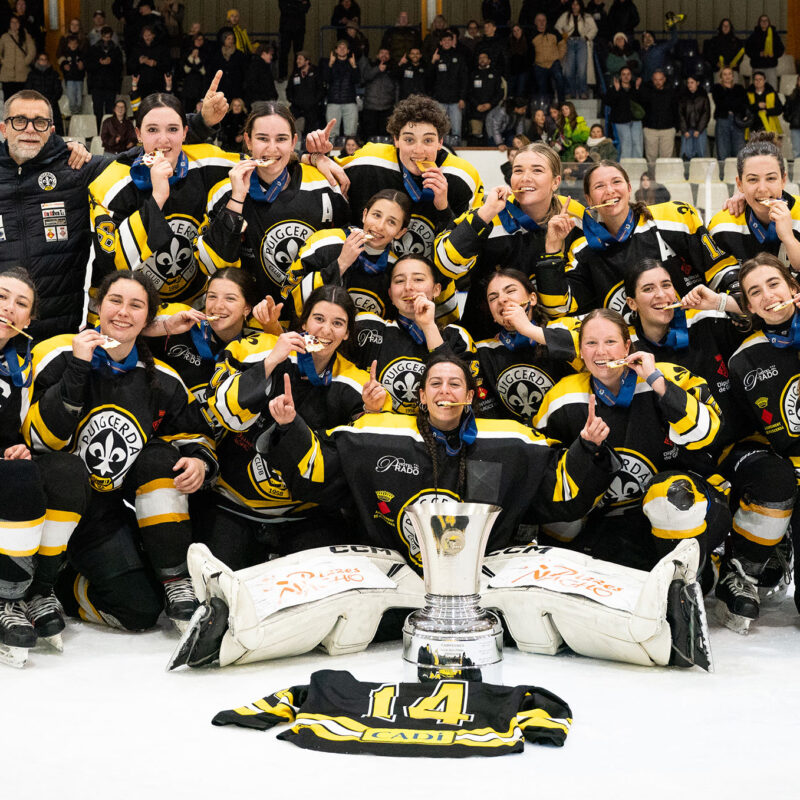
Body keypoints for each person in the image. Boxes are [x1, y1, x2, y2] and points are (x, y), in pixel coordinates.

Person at [266, 351, 615, 570]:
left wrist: (587, 447)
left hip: (481, 582)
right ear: (421, 395)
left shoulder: (511, 441)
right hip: (395, 580)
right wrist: (290, 426)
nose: (444, 391)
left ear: (469, 395)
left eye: (454, 384)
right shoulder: (376, 433)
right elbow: (321, 472)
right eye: (435, 383)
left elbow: (557, 491)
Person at [26, 271, 216, 633]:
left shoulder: (162, 378)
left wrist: (198, 460)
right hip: (48, 506)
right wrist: (79, 367)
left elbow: (195, 434)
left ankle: (163, 579)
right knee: (66, 469)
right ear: (98, 305)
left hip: (98, 516)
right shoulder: (56, 353)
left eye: (136, 305)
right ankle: (37, 587)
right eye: (115, 301)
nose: (123, 312)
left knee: (139, 610)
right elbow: (40, 441)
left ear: (148, 320)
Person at [205, 285, 389, 569]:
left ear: (348, 333)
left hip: (305, 514)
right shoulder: (255, 349)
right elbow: (223, 412)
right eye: (319, 319)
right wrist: (270, 362)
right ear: (303, 323)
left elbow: (358, 464)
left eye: (338, 323)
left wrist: (371, 411)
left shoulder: (357, 383)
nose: (326, 330)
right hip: (235, 505)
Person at [533, 308, 729, 574]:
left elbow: (706, 435)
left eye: (610, 342)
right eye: (591, 343)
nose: (601, 351)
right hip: (609, 519)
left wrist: (658, 383)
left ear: (628, 346)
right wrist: (584, 447)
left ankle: (687, 584)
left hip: (683, 508)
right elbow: (547, 482)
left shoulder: (666, 375)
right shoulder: (561, 397)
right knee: (561, 524)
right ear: (580, 351)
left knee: (669, 493)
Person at [0, 268, 89, 664]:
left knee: (66, 471)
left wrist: (16, 447)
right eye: (3, 297)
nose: (9, 309)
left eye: (21, 304)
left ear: (29, 320)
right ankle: (6, 597)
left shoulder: (20, 362)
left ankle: (38, 589)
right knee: (19, 478)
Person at [88, 85, 241, 306]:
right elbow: (113, 265)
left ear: (185, 133)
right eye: (152, 130)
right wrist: (158, 197)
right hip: (125, 312)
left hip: (192, 307)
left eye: (172, 129)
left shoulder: (208, 162)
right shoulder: (109, 183)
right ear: (138, 134)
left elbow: (267, 166)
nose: (163, 140)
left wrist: (307, 159)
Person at [712, 254, 800, 624]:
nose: (767, 296)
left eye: (774, 284)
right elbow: (743, 435)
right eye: (755, 292)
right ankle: (747, 563)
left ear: (794, 289)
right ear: (748, 306)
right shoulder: (744, 361)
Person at [196, 101, 349, 306]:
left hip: (312, 317)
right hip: (253, 320)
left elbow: (347, 242)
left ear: (294, 141)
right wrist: (237, 200)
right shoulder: (226, 190)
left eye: (281, 139)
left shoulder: (323, 182)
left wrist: (316, 158)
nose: (272, 148)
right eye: (262, 138)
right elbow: (212, 266)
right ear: (248, 141)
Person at [304, 94, 484, 266]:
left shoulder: (463, 175)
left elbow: (466, 250)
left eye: (428, 140)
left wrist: (444, 208)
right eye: (409, 140)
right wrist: (315, 157)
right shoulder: (371, 159)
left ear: (440, 142)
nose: (418, 150)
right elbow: (311, 169)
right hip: (366, 277)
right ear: (396, 140)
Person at [434, 142, 584, 339]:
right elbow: (446, 264)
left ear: (556, 182)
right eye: (518, 170)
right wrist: (485, 213)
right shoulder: (490, 211)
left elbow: (559, 307)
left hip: (543, 343)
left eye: (537, 170)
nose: (525, 178)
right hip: (484, 340)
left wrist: (553, 252)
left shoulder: (574, 216)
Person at [561, 160, 738, 314]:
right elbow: (561, 307)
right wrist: (552, 248)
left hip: (694, 335)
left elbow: (720, 270)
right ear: (589, 199)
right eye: (599, 186)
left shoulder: (674, 217)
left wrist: (733, 306)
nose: (610, 190)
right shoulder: (583, 249)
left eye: (616, 182)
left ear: (629, 188)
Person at [350, 255, 474, 413]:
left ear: (436, 289)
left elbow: (463, 402)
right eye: (399, 281)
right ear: (390, 294)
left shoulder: (457, 336)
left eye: (418, 279)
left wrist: (428, 326)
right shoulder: (369, 328)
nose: (408, 287)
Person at [285, 190, 417, 320]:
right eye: (376, 215)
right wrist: (340, 264)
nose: (380, 226)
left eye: (391, 222)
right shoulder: (325, 242)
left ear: (400, 232)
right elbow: (288, 297)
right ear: (365, 215)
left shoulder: (396, 268)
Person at [144, 268, 260, 413]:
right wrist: (165, 327)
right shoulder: (178, 317)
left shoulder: (255, 351)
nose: (217, 306)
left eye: (230, 298)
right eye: (212, 297)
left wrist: (273, 326)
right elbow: (121, 331)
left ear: (247, 308)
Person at [474, 268, 577, 425]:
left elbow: (591, 353)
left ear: (533, 298)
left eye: (510, 291)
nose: (502, 300)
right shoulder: (483, 350)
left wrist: (528, 330)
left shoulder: (565, 327)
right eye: (493, 298)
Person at [708, 132, 800, 274]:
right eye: (752, 180)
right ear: (739, 184)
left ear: (783, 180)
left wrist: (789, 238)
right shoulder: (722, 226)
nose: (762, 189)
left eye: (771, 178)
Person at [430, 30, 469, 147]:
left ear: (453, 42)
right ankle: (440, 152)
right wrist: (432, 62)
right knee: (440, 130)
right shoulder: (436, 57)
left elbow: (464, 79)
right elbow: (428, 79)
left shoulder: (459, 57)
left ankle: (458, 155)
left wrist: (462, 98)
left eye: (449, 40)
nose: (447, 42)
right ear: (441, 42)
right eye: (444, 40)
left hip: (456, 101)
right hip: (440, 100)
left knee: (457, 130)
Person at [555, 0, 597, 100]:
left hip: (582, 42)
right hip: (569, 42)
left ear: (580, 5)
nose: (575, 6)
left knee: (582, 69)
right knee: (569, 70)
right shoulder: (565, 16)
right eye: (573, 4)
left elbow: (594, 29)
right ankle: (570, 91)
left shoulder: (587, 16)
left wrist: (587, 37)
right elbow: (557, 26)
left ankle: (583, 91)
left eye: (577, 4)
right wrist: (564, 36)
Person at [86, 26, 124, 129]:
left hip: (111, 85)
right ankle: (98, 130)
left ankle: (109, 131)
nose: (106, 39)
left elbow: (120, 68)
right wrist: (100, 63)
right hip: (97, 85)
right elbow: (89, 66)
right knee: (97, 111)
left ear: (111, 37)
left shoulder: (116, 50)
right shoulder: (94, 49)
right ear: (101, 36)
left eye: (108, 37)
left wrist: (111, 63)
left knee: (110, 111)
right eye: (105, 37)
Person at [639, 68, 677, 165]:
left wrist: (675, 126)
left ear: (664, 79)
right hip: (650, 130)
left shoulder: (672, 92)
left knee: (666, 159)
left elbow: (676, 110)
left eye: (660, 79)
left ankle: (664, 179)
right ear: (652, 79)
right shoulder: (646, 91)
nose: (658, 82)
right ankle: (651, 178)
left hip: (668, 129)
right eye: (655, 79)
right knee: (651, 158)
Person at [324, 40, 360, 139]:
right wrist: (330, 64)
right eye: (340, 47)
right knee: (331, 133)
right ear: (335, 50)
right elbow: (325, 80)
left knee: (351, 133)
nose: (342, 49)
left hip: (349, 101)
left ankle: (351, 153)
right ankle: (330, 154)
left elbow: (357, 80)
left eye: (344, 47)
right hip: (333, 101)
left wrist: (354, 66)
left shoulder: (352, 64)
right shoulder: (330, 63)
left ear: (348, 51)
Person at [359, 48, 397, 141]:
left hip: (387, 107)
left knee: (385, 135)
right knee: (369, 135)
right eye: (381, 53)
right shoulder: (370, 65)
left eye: (386, 53)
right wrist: (378, 69)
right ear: (377, 55)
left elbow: (397, 87)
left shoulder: (393, 68)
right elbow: (365, 77)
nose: (384, 55)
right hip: (370, 107)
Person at [466, 51, 504, 145]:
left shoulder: (495, 74)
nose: (482, 59)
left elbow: (500, 93)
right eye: (480, 58)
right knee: (475, 137)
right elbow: (468, 92)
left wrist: (490, 104)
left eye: (484, 57)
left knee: (490, 136)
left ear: (489, 60)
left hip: (492, 111)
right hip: (476, 111)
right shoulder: (473, 74)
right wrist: (477, 105)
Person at [711, 66, 748, 161]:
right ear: (721, 77)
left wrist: (731, 103)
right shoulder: (717, 88)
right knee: (723, 152)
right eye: (724, 74)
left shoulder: (739, 88)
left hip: (737, 121)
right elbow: (721, 103)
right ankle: (724, 174)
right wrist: (734, 102)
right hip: (723, 120)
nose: (727, 77)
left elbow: (744, 104)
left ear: (733, 76)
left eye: (729, 74)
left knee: (739, 152)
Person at [24, 53, 64, 136]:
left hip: (52, 105)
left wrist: (50, 101)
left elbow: (58, 90)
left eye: (45, 59)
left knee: (56, 127)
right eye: (41, 59)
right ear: (38, 61)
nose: (43, 61)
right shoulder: (31, 75)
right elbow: (27, 90)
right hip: (35, 105)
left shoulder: (54, 74)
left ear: (47, 61)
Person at [531, 13, 566, 104]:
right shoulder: (531, 35)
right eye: (539, 20)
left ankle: (562, 103)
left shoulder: (554, 32)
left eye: (543, 20)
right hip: (539, 65)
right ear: (535, 22)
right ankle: (545, 108)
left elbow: (562, 44)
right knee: (542, 88)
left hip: (554, 63)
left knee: (560, 81)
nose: (541, 22)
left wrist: (559, 56)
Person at [286, 51, 323, 136]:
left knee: (311, 131)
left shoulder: (316, 72)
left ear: (307, 61)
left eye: (300, 59)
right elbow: (289, 90)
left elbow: (321, 90)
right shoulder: (295, 73)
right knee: (292, 128)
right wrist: (293, 100)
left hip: (311, 108)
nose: (297, 61)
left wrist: (313, 101)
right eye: (297, 59)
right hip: (297, 108)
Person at [0, 16, 35, 98]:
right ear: (9, 24)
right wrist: (3, 61)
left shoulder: (26, 36)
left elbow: (32, 51)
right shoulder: (4, 37)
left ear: (20, 24)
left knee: (21, 100)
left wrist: (25, 62)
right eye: (12, 22)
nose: (14, 24)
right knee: (8, 101)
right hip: (7, 74)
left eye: (16, 22)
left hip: (22, 74)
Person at [745, 15, 784, 89]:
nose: (764, 22)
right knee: (757, 88)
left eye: (766, 20)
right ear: (759, 23)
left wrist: (774, 54)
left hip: (771, 66)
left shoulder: (775, 35)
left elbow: (781, 49)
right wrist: (759, 54)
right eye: (762, 21)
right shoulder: (753, 36)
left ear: (769, 22)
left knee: (772, 88)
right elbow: (748, 50)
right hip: (758, 66)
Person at [278, 0, 311, 82]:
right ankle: (282, 75)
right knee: (284, 52)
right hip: (286, 29)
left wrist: (292, 5)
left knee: (299, 53)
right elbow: (284, 9)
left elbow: (306, 8)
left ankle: (296, 75)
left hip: (299, 30)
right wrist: (299, 5)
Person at [678, 76, 710, 160]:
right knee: (686, 156)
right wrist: (684, 130)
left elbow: (706, 114)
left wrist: (699, 130)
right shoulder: (683, 97)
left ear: (697, 83)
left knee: (700, 155)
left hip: (700, 131)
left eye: (692, 82)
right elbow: (680, 114)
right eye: (688, 83)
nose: (689, 85)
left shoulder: (703, 96)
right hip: (687, 131)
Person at [213, 29, 248, 102]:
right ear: (223, 40)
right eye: (228, 38)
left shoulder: (239, 54)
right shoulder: (217, 54)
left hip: (236, 87)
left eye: (232, 39)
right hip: (221, 87)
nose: (231, 41)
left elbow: (244, 70)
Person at [747, 71, 783, 138]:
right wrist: (757, 106)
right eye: (756, 80)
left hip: (769, 128)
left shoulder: (772, 93)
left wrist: (767, 111)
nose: (758, 81)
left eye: (760, 79)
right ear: (753, 81)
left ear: (764, 80)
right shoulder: (748, 94)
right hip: (753, 128)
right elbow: (745, 109)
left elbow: (780, 109)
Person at [59, 35, 86, 116]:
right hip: (70, 79)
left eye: (75, 44)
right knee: (71, 96)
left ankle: (78, 112)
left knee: (79, 97)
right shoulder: (65, 55)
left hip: (79, 79)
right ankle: (73, 112)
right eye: (71, 43)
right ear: (68, 45)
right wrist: (64, 66)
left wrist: (82, 65)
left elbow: (84, 64)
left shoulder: (81, 54)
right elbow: (62, 65)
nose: (73, 45)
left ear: (77, 44)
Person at [506, 23, 530, 97]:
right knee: (509, 92)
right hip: (512, 71)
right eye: (514, 31)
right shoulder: (509, 43)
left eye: (518, 30)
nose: (516, 33)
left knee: (520, 92)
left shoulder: (527, 42)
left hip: (523, 71)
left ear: (522, 31)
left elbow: (530, 58)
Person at [784, 76, 800, 161]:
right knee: (797, 152)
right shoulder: (792, 97)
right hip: (795, 127)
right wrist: (791, 118)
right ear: (797, 82)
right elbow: (786, 111)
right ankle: (799, 173)